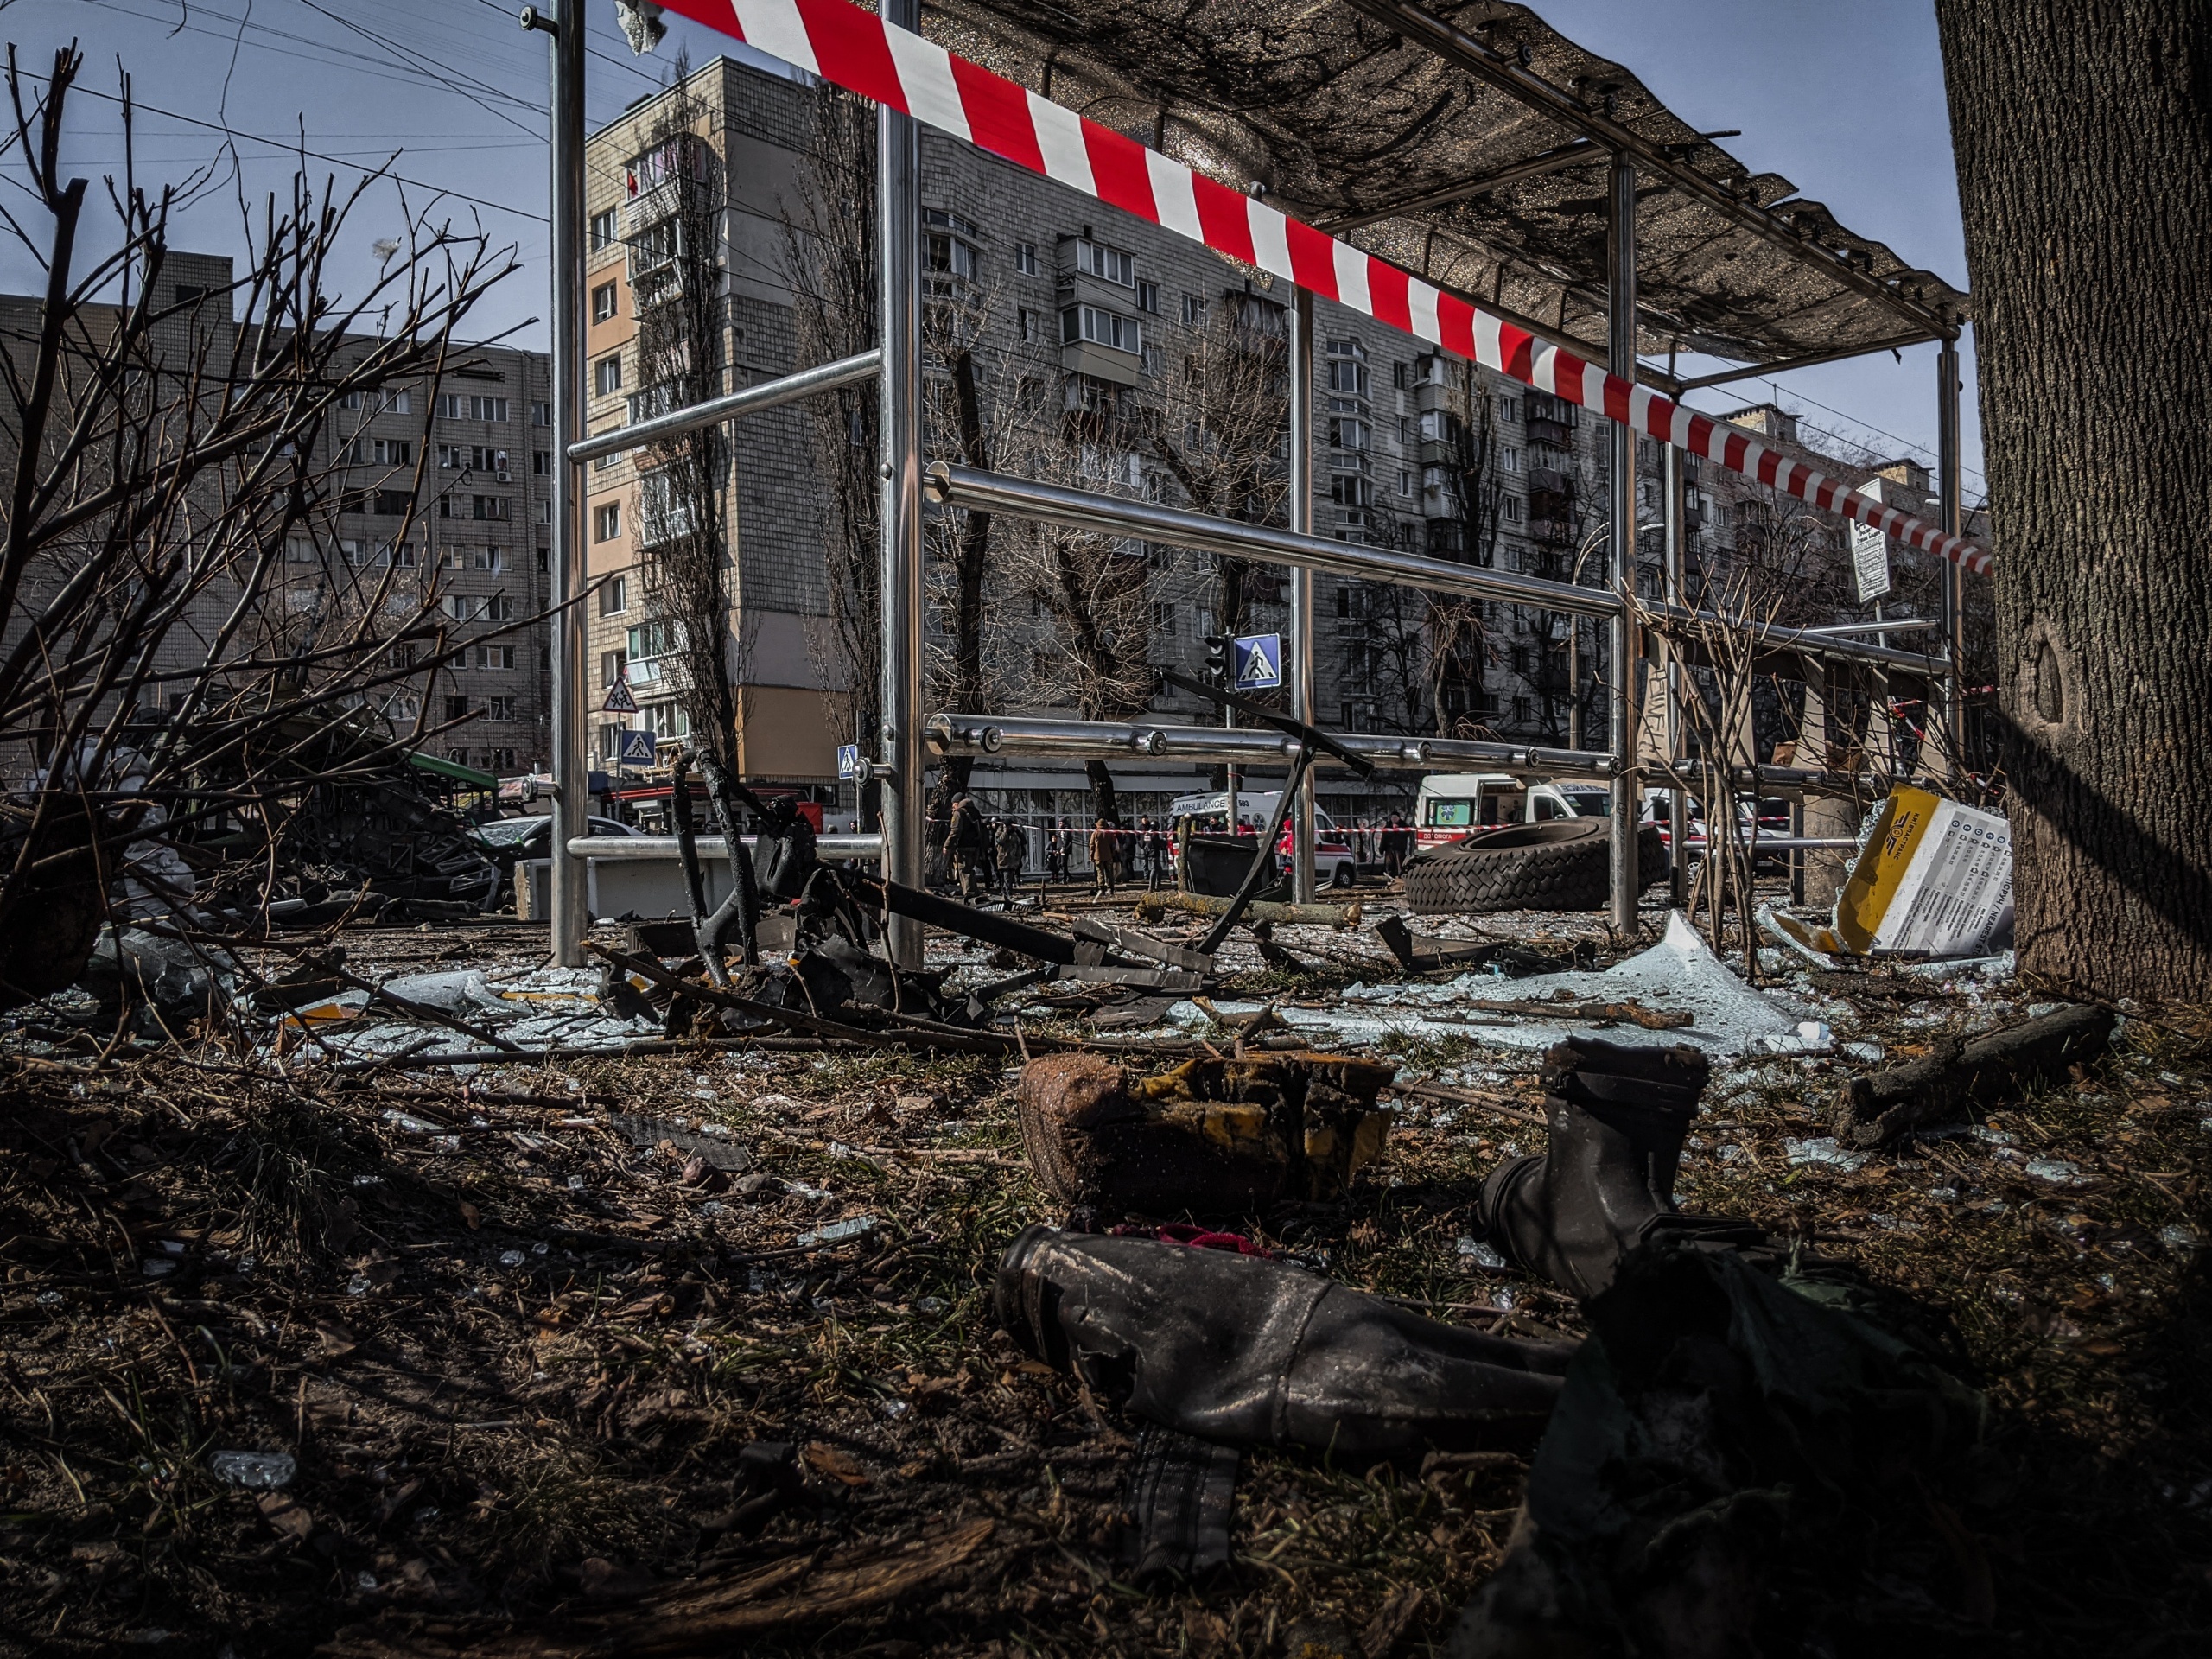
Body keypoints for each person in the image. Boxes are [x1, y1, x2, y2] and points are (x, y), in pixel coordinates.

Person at [943, 792, 986, 899]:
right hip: (975, 846)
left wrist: (947, 846)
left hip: (964, 846)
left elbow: (955, 831)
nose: (953, 806)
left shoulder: (958, 813)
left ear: (957, 803)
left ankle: (970, 896)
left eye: (953, 804)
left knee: (964, 871)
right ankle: (975, 893)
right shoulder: (975, 811)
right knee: (970, 870)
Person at [995, 816, 1026, 903]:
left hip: (1012, 859)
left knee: (1008, 878)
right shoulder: (999, 833)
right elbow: (1000, 841)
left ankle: (1008, 893)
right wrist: (1005, 832)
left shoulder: (1015, 834)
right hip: (1003, 859)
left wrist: (1017, 857)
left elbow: (1021, 842)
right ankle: (1004, 893)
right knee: (1004, 878)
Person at [1088, 817, 1118, 898]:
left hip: (1098, 856)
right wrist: (1112, 854)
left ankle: (1101, 889)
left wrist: (1091, 855)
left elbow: (1091, 845)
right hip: (1108, 856)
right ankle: (1111, 888)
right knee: (1109, 873)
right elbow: (1113, 844)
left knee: (1100, 873)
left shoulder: (1095, 833)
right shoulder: (1109, 833)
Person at [1046, 816, 1071, 884]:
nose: (1059, 824)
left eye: (1061, 823)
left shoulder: (1067, 830)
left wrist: (1064, 848)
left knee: (1063, 863)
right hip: (1059, 849)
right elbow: (1056, 836)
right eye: (1059, 823)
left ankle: (1064, 878)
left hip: (1064, 849)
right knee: (1058, 864)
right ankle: (1068, 875)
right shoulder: (1059, 830)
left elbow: (1067, 840)